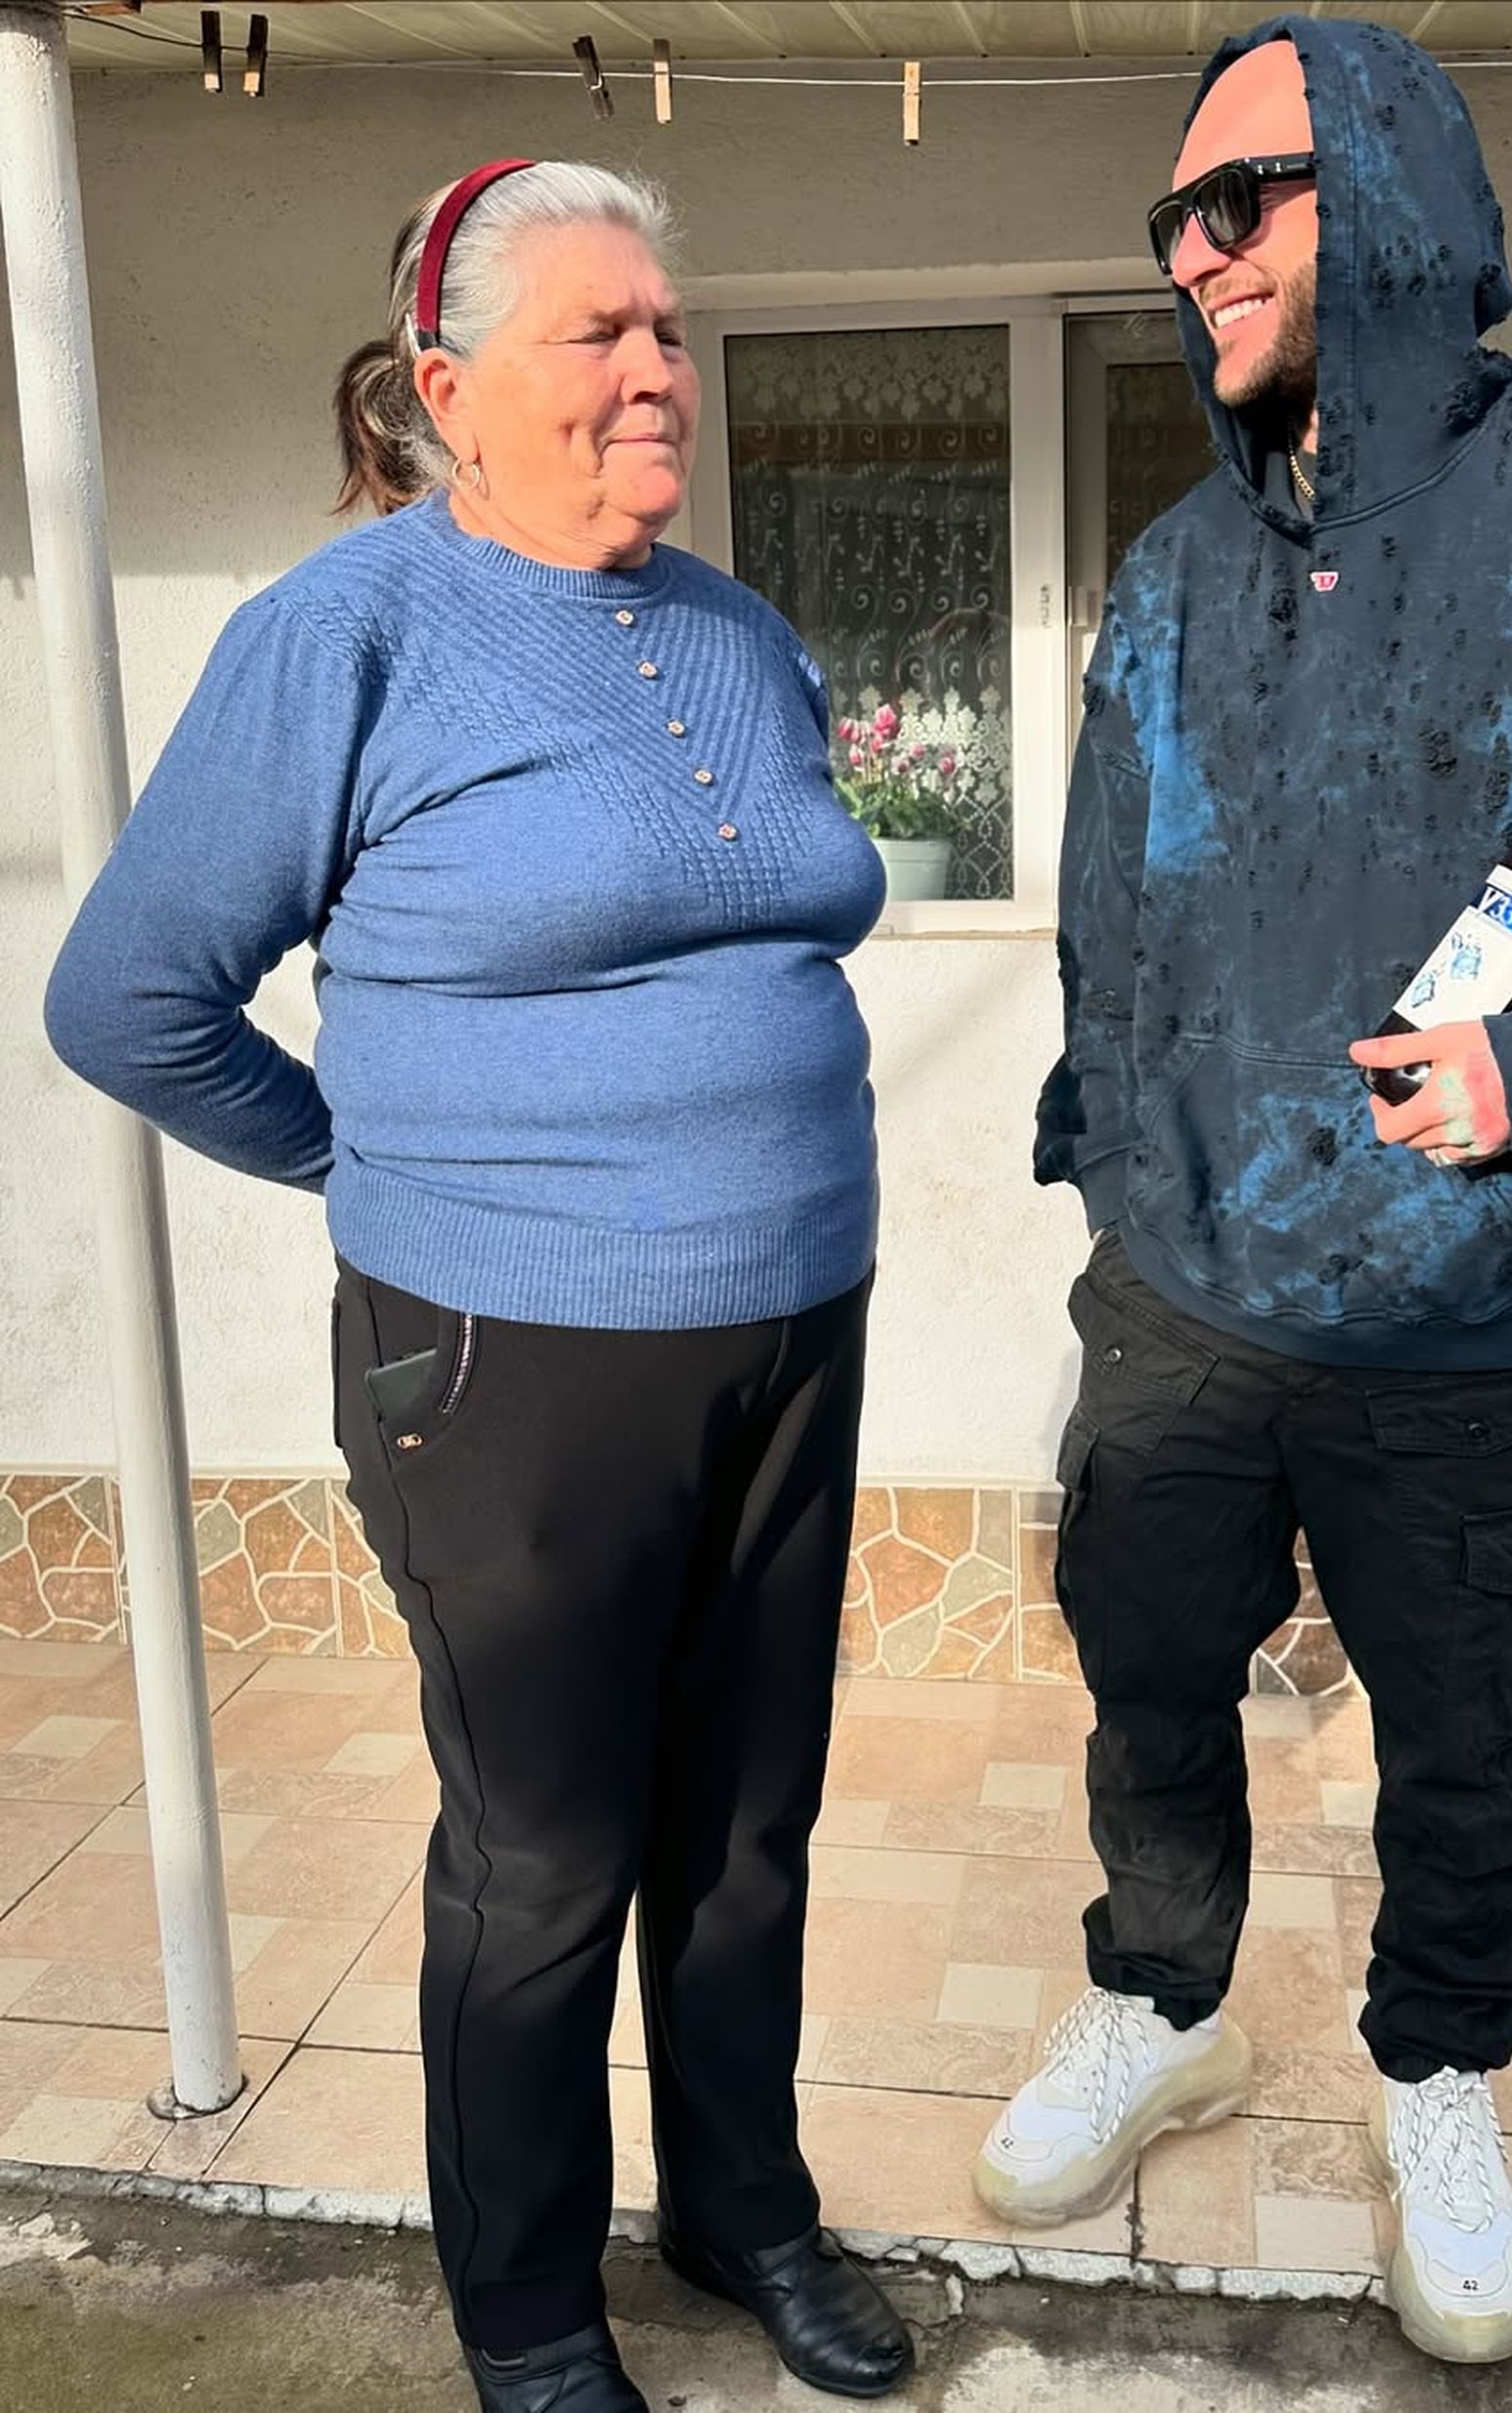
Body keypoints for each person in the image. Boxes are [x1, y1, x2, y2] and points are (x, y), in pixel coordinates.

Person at [975, 13, 1512, 2368]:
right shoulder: (1175, 566)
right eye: (1170, 220)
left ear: (1389, 195)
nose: (1192, 255)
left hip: (1477, 1311)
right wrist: (1113, 1157)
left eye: (1238, 199)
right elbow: (1111, 899)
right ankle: (1163, 2003)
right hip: (1184, 1296)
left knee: (1463, 1744)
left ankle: (1437, 2076)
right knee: (1150, 1683)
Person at [44, 160, 911, 2413]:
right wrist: (372, 1161)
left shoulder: (737, 631)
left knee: (746, 1823)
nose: (657, 368)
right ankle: (528, 2310)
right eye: (597, 332)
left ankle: (739, 2210)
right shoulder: (346, 633)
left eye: (668, 327)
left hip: (793, 1320)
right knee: (547, 1854)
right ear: (447, 388)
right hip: (509, 1359)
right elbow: (129, 994)